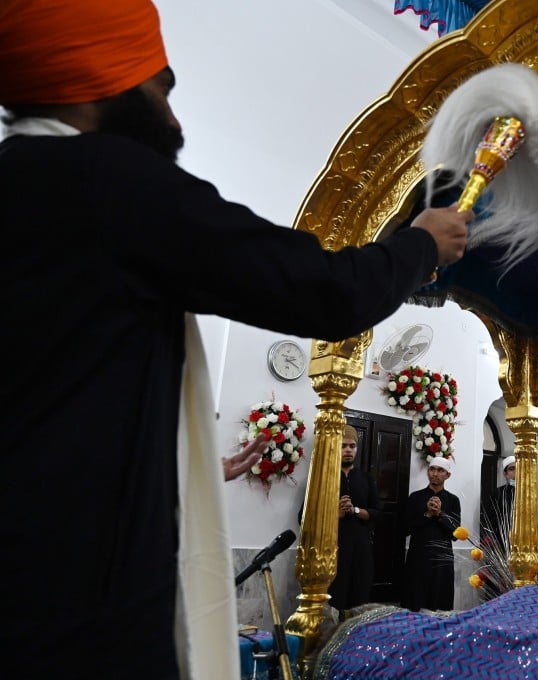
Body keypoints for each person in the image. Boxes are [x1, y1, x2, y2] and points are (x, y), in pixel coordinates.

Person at [0, 2, 472, 677]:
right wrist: (420, 244)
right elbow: (325, 291)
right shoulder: (108, 182)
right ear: (102, 79)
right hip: (78, 600)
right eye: (160, 90)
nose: (172, 118)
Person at [328, 426, 382, 611]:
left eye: (352, 446)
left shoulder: (366, 479)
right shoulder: (325, 477)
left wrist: (355, 510)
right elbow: (305, 516)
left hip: (361, 547)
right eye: (343, 446)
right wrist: (337, 514)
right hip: (333, 549)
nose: (348, 450)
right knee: (335, 596)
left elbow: (376, 512)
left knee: (360, 597)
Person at [401, 457, 462, 612]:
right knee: (415, 603)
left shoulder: (453, 500)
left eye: (440, 470)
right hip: (418, 558)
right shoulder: (415, 497)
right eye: (432, 469)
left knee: (440, 605)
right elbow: (405, 528)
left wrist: (440, 514)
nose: (435, 474)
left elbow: (455, 533)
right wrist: (427, 514)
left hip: (442, 560)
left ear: (447, 475)